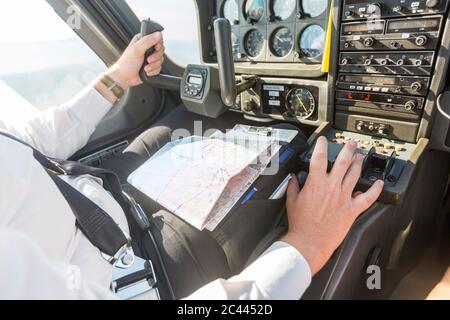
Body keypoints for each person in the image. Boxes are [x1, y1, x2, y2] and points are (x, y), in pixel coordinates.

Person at [0, 31, 384, 300]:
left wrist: (118, 77)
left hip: (96, 195)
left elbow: (29, 143)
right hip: (134, 273)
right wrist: (308, 244)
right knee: (283, 159)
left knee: (195, 118)